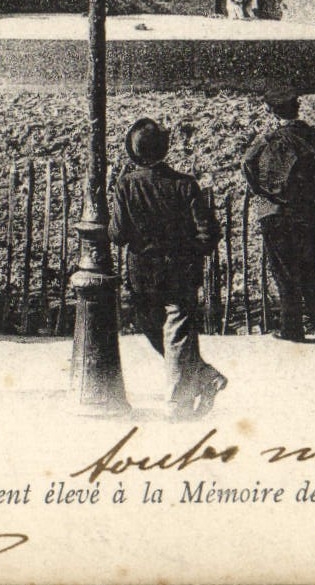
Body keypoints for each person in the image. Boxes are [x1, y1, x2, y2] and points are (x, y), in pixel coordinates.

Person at [109, 118, 227, 418]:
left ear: (133, 152)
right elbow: (209, 232)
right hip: (179, 272)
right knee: (176, 334)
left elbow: (118, 234)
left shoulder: (126, 186)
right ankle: (202, 376)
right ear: (164, 149)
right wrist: (189, 253)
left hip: (143, 274)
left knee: (156, 329)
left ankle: (179, 403)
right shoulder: (185, 185)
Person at [241, 86, 315, 341]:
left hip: (274, 213)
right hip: (307, 213)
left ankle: (292, 329)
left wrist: (267, 195)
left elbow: (247, 167)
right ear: (298, 108)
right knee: (310, 266)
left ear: (271, 111)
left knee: (284, 270)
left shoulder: (267, 140)